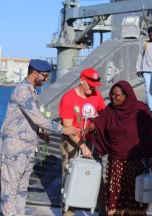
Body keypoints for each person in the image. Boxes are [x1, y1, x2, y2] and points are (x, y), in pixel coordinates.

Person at [0, 59, 79, 216]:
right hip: (15, 149)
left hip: (26, 148)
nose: (46, 79)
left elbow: (27, 120)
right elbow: (38, 119)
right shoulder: (23, 91)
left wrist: (39, 132)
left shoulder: (31, 91)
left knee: (21, 189)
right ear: (34, 73)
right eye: (45, 75)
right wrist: (64, 130)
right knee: (10, 189)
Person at [86, 80, 152, 216]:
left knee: (136, 196)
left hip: (137, 162)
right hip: (116, 162)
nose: (113, 97)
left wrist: (151, 156)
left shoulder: (140, 109)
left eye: (117, 95)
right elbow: (100, 121)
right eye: (111, 94)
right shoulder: (110, 109)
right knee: (116, 194)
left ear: (126, 95)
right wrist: (91, 126)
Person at [58, 68, 106, 216]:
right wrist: (82, 146)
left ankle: (102, 211)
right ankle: (68, 212)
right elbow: (67, 127)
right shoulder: (68, 98)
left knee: (97, 177)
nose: (93, 88)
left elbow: (103, 114)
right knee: (70, 178)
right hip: (71, 142)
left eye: (95, 86)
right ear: (82, 81)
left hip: (92, 141)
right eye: (90, 85)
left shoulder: (96, 95)